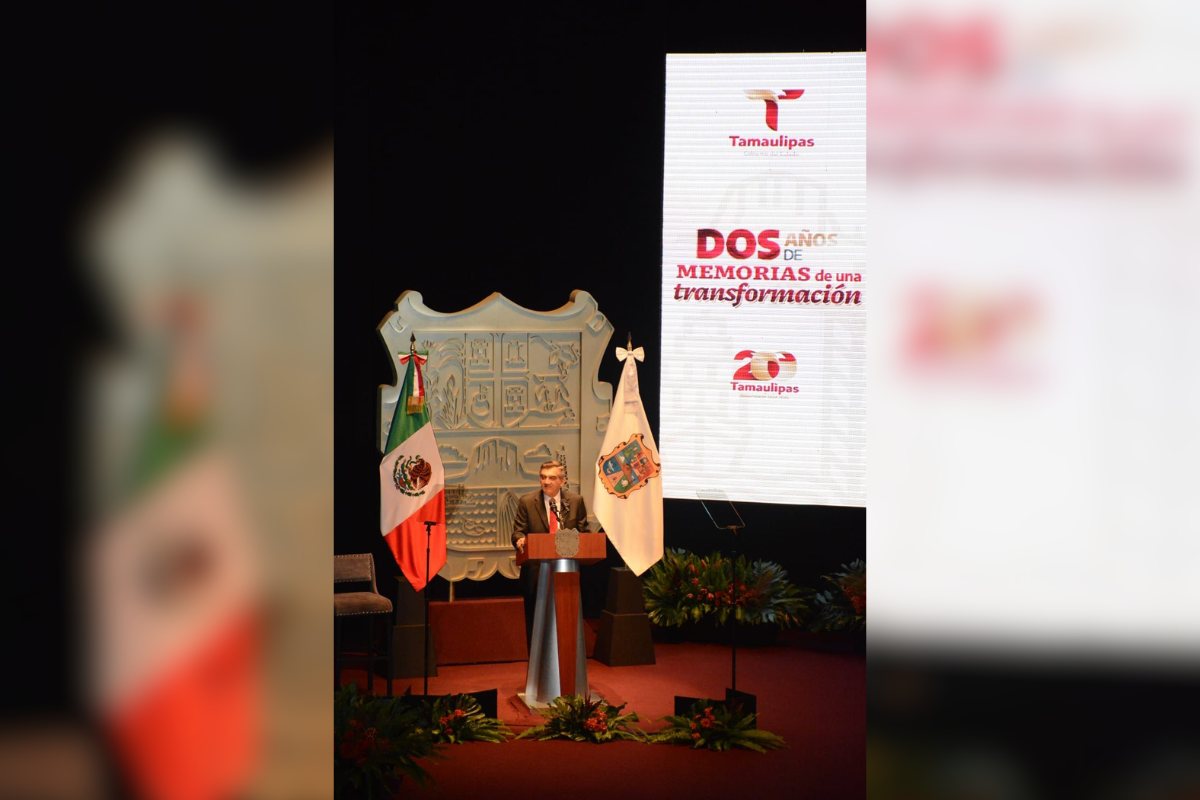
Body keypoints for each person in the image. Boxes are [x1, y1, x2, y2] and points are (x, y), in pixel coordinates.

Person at [511, 460, 589, 651]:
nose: (546, 482)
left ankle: (566, 665)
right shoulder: (527, 502)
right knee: (536, 625)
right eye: (543, 477)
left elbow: (584, 534)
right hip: (536, 574)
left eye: (552, 478)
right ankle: (537, 669)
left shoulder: (576, 501)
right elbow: (517, 533)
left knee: (566, 624)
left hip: (567, 574)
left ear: (562, 481)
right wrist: (520, 540)